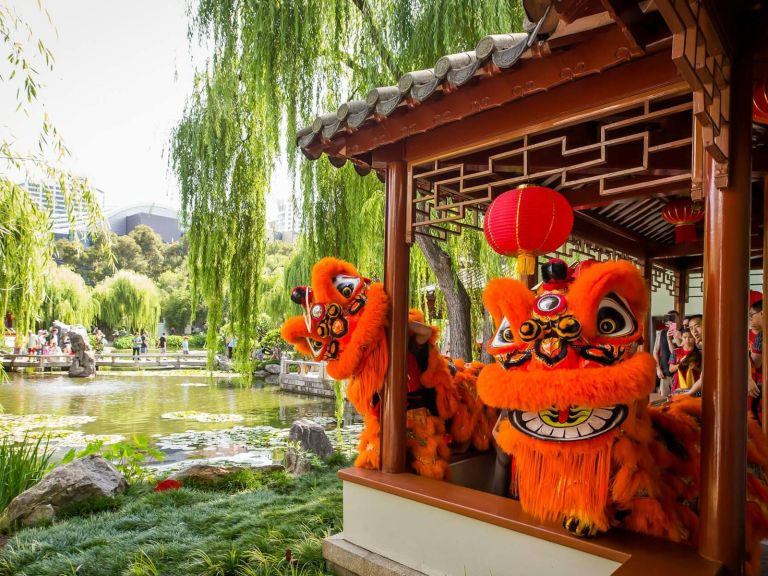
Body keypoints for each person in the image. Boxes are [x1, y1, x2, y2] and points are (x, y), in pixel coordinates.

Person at [654, 310, 680, 396]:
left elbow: (677, 353)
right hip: (665, 373)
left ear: (679, 320)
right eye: (670, 319)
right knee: (665, 401)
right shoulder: (661, 333)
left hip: (679, 374)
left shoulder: (682, 334)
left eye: (674, 319)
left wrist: (674, 336)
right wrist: (658, 369)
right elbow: (655, 352)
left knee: (678, 401)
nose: (672, 322)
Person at [749, 293, 763, 423]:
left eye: (752, 316)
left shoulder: (761, 335)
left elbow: (755, 363)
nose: (750, 320)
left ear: (763, 313)